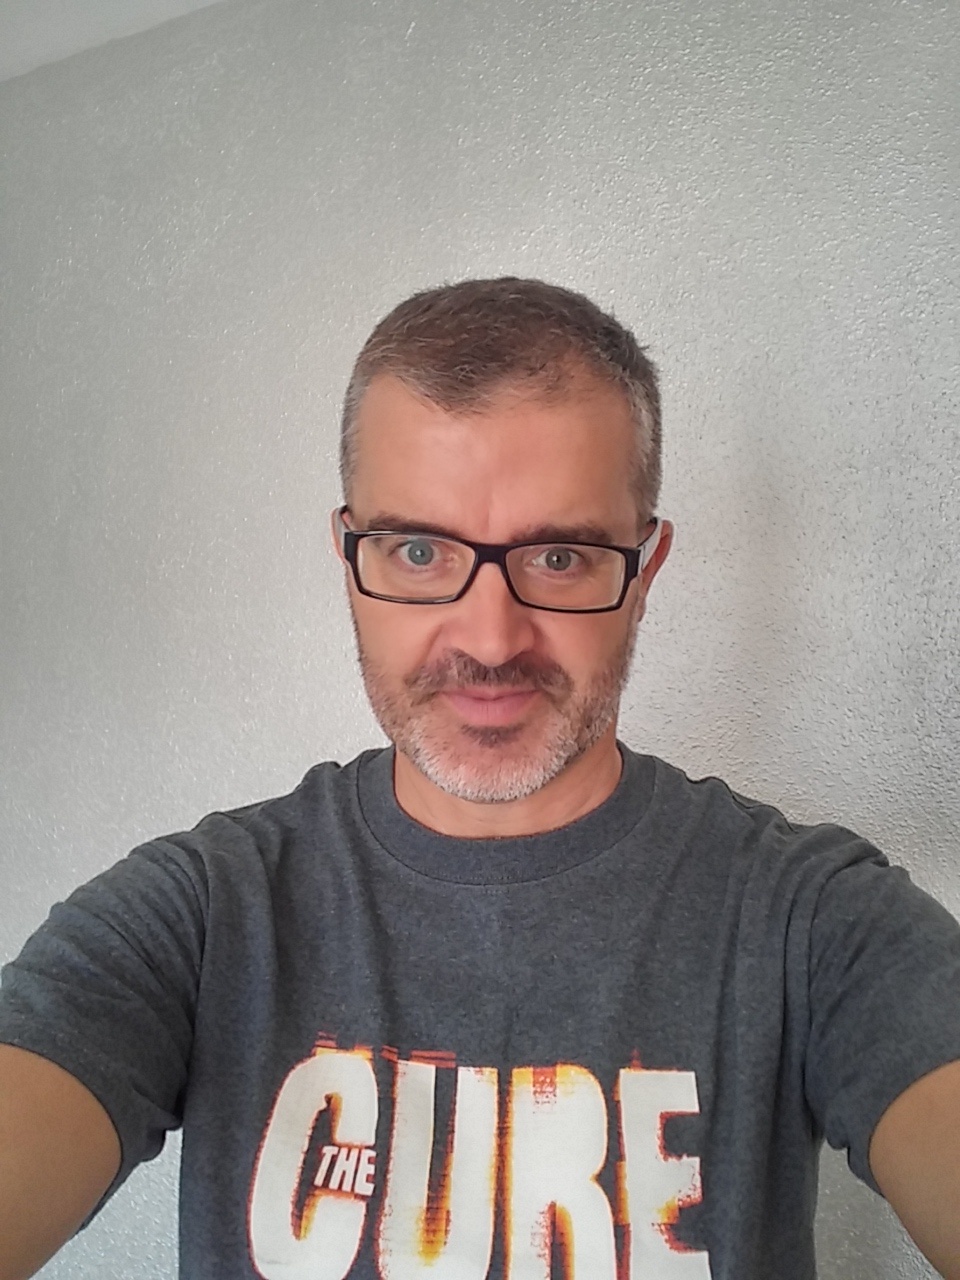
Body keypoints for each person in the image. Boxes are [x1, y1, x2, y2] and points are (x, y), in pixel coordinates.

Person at [1, 277, 960, 1280]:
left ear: (644, 571)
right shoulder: (199, 917)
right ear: (349, 560)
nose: (492, 640)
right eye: (418, 550)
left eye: (561, 556)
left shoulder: (814, 920)